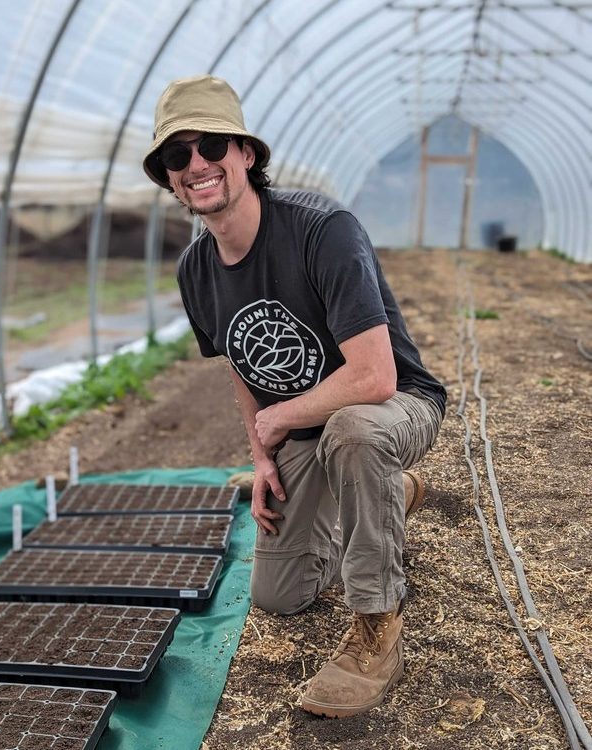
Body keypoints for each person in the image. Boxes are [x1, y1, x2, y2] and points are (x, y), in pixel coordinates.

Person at [142, 74, 446, 719]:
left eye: (213, 146)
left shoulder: (322, 229)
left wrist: (281, 417)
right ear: (169, 178)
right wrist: (260, 458)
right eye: (178, 156)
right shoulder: (195, 270)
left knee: (354, 433)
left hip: (393, 410)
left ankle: (376, 629)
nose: (197, 165)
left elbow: (374, 379)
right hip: (310, 432)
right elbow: (240, 369)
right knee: (280, 596)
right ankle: (389, 495)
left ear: (247, 154)